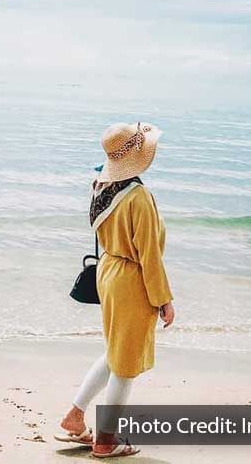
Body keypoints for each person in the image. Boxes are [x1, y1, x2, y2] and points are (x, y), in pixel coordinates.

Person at [55, 121, 175, 458]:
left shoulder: (101, 185)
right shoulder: (139, 197)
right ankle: (106, 440)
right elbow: (148, 255)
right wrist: (163, 299)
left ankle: (75, 416)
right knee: (126, 363)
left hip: (109, 271)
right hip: (131, 280)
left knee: (114, 352)